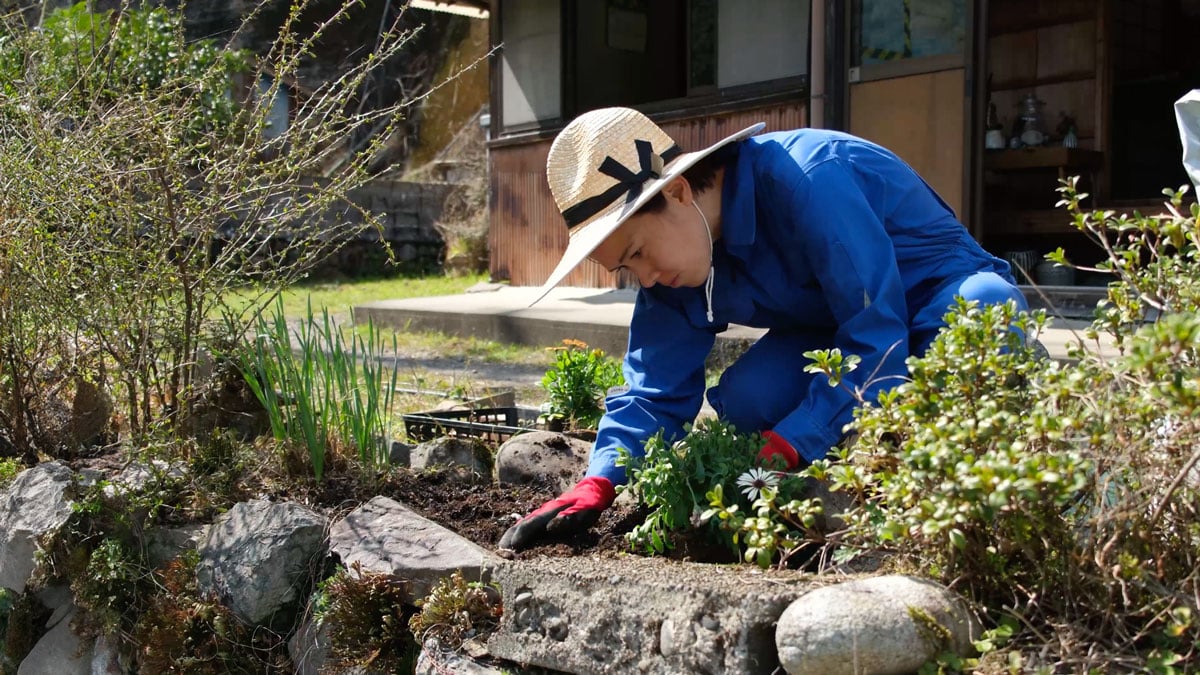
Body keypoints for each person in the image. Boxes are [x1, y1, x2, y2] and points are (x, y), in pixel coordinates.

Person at [498, 106, 1027, 551]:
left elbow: (876, 336)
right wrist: (601, 479)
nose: (647, 277)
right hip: (836, 328)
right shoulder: (675, 261)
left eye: (638, 252)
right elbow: (653, 388)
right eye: (627, 269)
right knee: (749, 400)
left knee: (986, 310)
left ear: (678, 193)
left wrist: (793, 442)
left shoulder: (809, 179)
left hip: (932, 298)